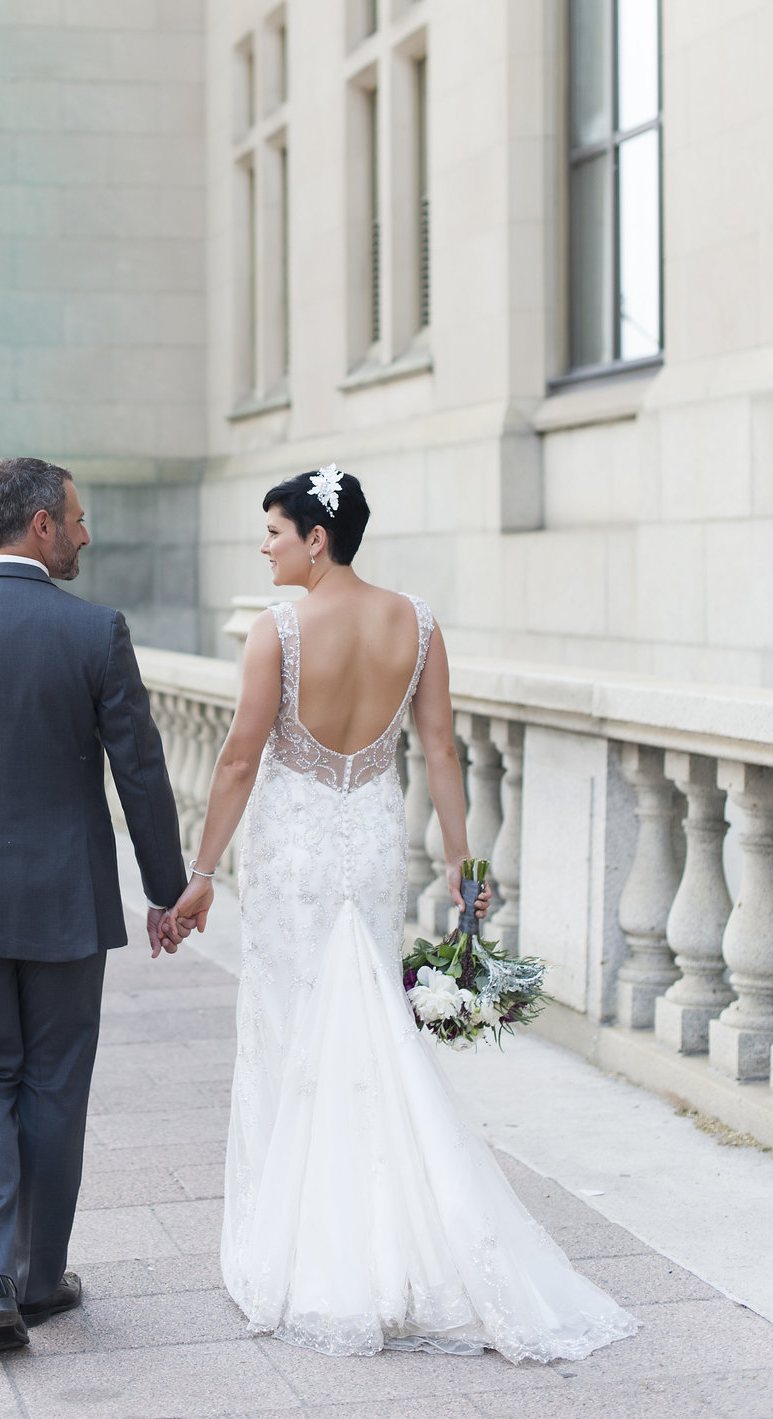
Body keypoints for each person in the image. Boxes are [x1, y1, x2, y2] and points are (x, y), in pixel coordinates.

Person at [165, 467, 638, 1363]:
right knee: (371, 1032)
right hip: (373, 848)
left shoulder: (277, 633)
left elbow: (235, 763)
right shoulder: (416, 625)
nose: (264, 545)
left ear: (317, 536)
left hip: (297, 856)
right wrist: (465, 868)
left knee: (296, 1030)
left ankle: (313, 1249)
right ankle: (400, 1242)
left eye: (273, 529)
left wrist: (201, 871)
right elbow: (439, 752)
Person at [0, 456, 187, 1357]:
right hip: (65, 904)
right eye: (79, 518)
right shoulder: (95, 633)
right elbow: (142, 772)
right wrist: (166, 890)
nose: (87, 533)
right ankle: (40, 1279)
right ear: (43, 525)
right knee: (54, 1085)